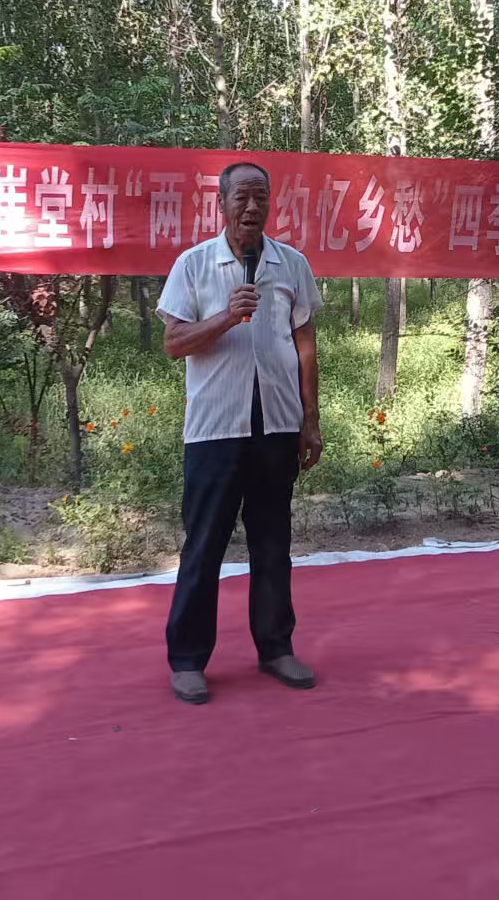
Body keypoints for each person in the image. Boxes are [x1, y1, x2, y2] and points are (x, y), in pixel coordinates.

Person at [156, 162, 325, 705]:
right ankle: (187, 660)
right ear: (222, 204)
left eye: (261, 198)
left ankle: (276, 648)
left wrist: (310, 419)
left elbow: (305, 344)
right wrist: (226, 318)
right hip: (215, 429)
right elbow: (174, 343)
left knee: (273, 544)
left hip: (276, 423)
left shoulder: (291, 264)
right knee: (204, 545)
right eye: (242, 198)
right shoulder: (194, 265)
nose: (252, 208)